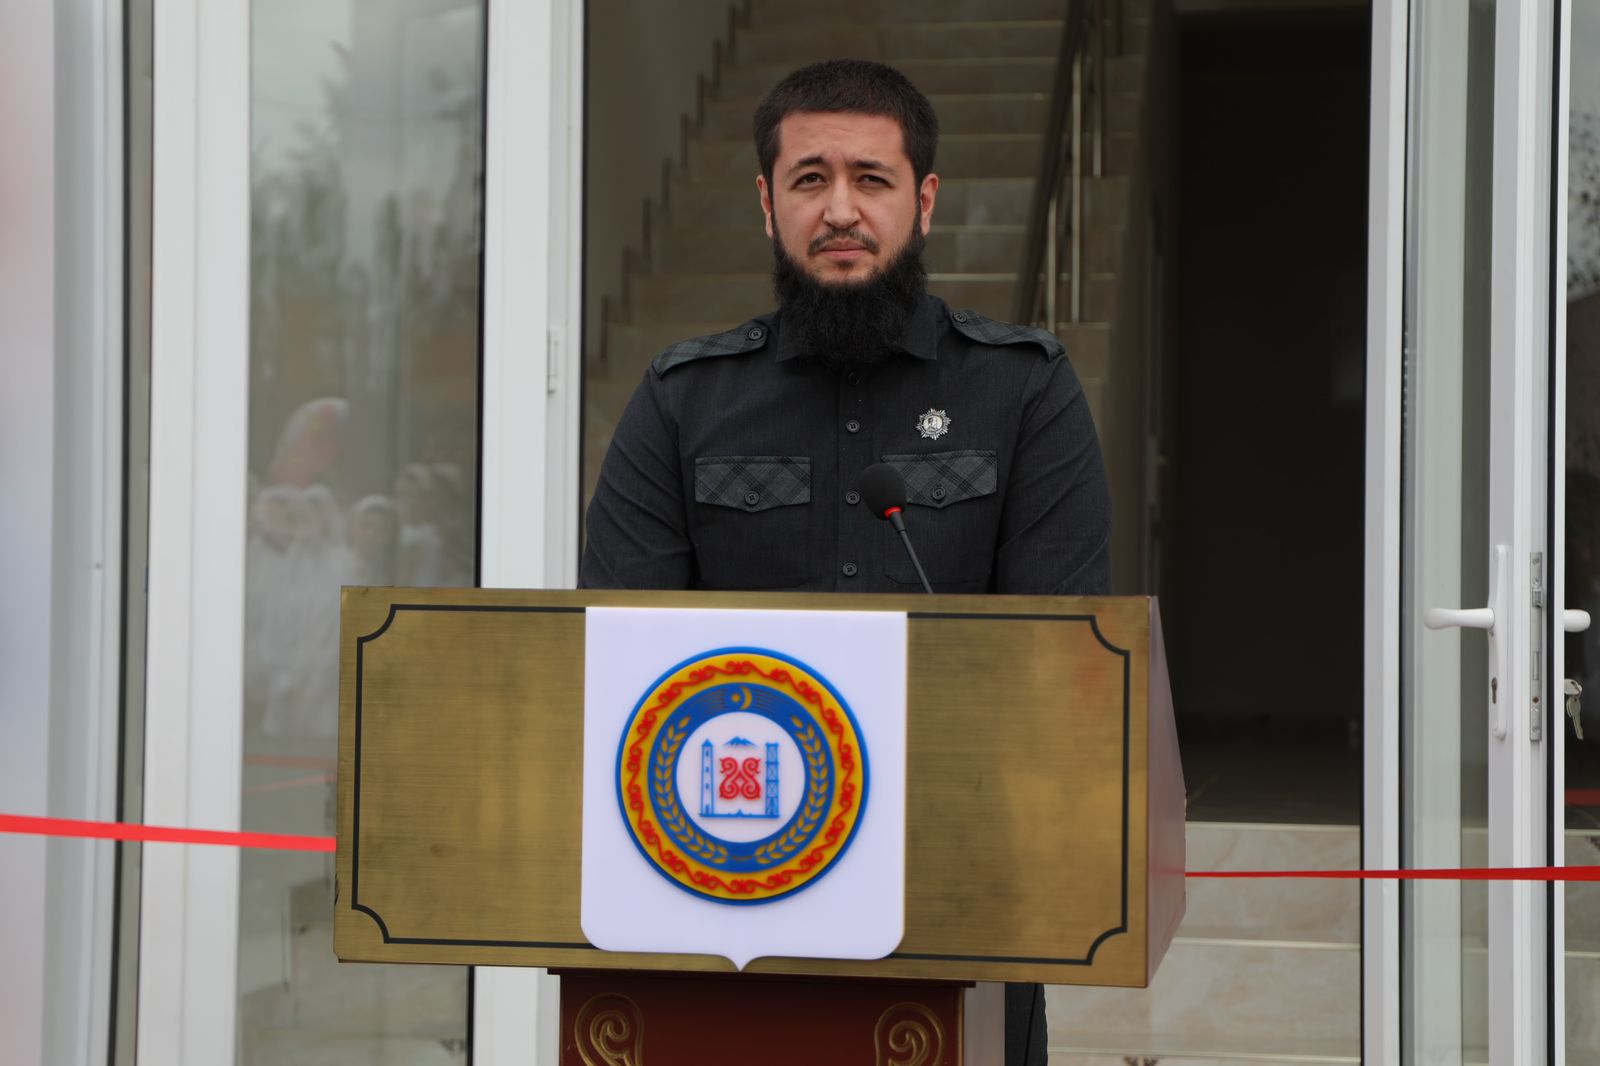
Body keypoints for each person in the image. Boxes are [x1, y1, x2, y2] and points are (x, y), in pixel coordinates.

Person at [581, 59, 1112, 1066]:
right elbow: (610, 655)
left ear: (924, 200)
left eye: (871, 179)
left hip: (957, 888)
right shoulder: (682, 400)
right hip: (718, 882)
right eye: (809, 179)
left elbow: (1060, 665)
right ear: (766, 202)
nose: (839, 210)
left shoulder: (1024, 392)